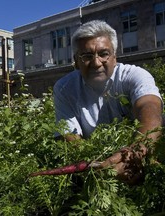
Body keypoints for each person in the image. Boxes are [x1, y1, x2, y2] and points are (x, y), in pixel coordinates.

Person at [53, 20, 163, 184]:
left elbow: (151, 110)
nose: (96, 63)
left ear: (114, 57)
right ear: (76, 61)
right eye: (87, 56)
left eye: (104, 54)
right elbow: (68, 135)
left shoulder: (135, 76)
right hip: (99, 166)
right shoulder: (64, 88)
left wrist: (135, 154)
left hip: (143, 156)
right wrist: (101, 165)